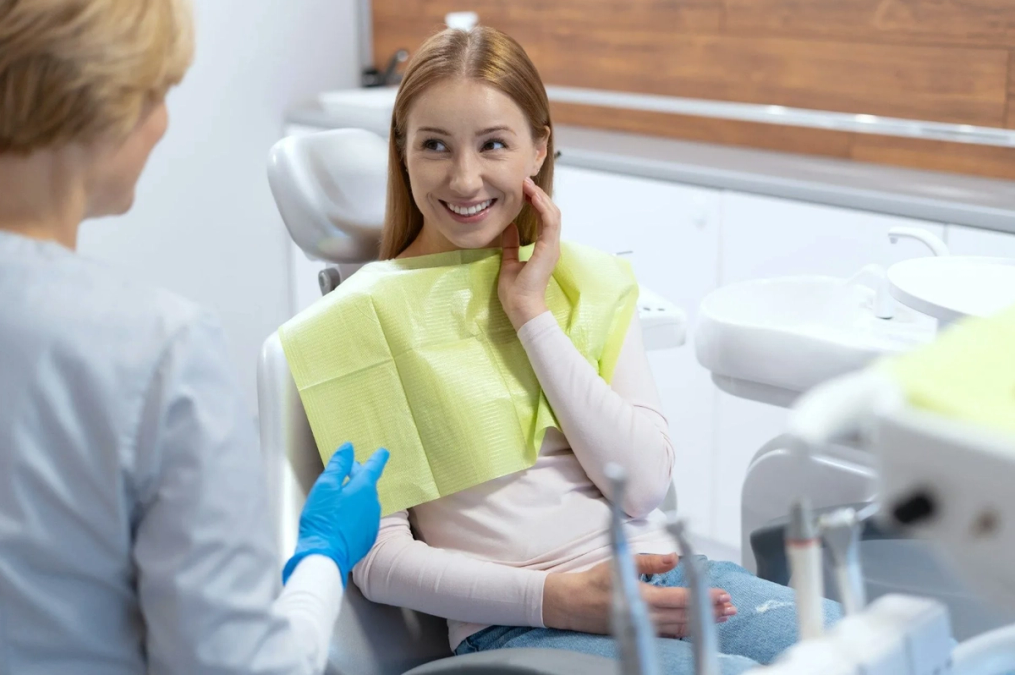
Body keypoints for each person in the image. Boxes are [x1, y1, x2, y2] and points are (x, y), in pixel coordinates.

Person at [350, 26, 840, 674]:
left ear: (538, 147)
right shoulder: (363, 320)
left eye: (492, 143)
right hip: (516, 622)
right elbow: (378, 563)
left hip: (664, 570)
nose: (464, 177)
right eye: (434, 145)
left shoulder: (588, 284)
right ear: (401, 151)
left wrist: (529, 313)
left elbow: (641, 487)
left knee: (856, 646)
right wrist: (558, 597)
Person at [0, 1, 387, 673]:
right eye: (161, 95)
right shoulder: (155, 348)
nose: (163, 123)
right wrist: (321, 558)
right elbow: (238, 665)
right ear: (108, 99)